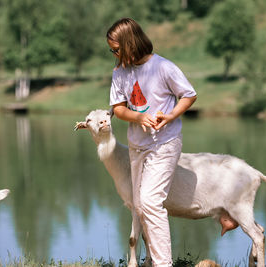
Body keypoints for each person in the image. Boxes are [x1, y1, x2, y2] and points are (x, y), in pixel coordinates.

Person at [106, 18, 197, 267]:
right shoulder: (119, 72)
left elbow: (189, 94)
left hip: (164, 144)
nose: (113, 54)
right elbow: (118, 109)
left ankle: (162, 264)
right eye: (111, 50)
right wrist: (139, 116)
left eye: (116, 49)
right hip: (137, 145)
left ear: (130, 43)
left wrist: (169, 116)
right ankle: (154, 261)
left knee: (149, 201)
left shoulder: (163, 67)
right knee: (139, 205)